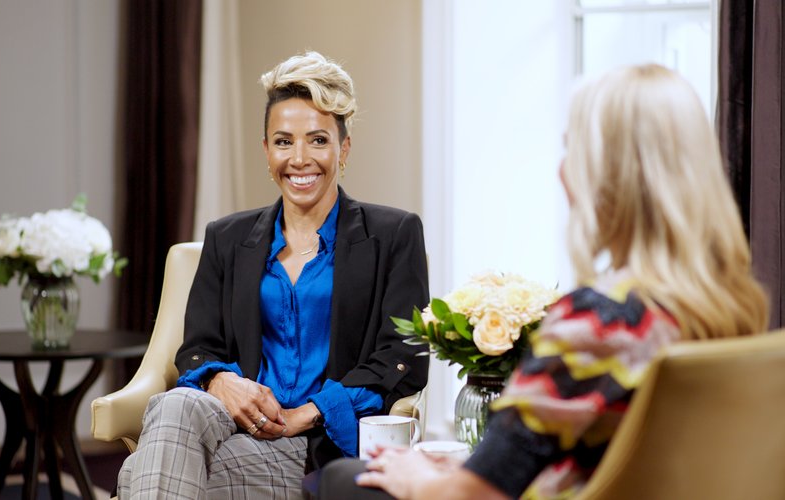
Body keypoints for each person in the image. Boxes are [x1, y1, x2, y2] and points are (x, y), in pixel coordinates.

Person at [318, 64, 769, 499]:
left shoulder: (600, 322)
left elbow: (471, 496)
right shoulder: (730, 311)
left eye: (572, 151)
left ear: (609, 178)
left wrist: (418, 476)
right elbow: (610, 458)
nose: (563, 171)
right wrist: (468, 466)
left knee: (342, 478)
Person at [116, 51, 430, 498]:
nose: (299, 159)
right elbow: (197, 349)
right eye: (283, 142)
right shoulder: (227, 238)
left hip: (316, 447)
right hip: (230, 427)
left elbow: (404, 357)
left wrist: (310, 412)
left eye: (318, 140)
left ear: (344, 148)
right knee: (178, 403)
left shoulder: (394, 234)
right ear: (266, 150)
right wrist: (220, 380)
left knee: (139, 474)